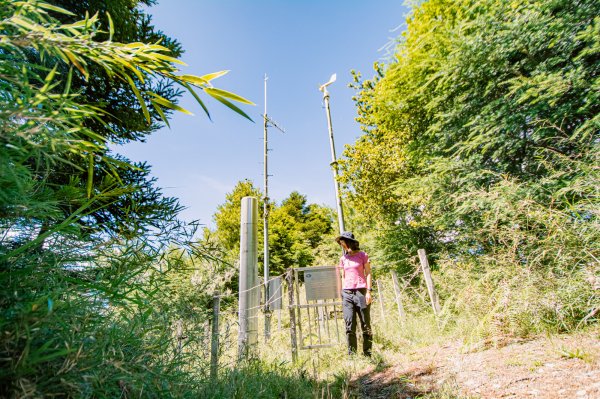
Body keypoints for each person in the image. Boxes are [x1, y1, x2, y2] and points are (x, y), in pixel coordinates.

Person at [336, 231, 373, 357]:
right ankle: (352, 355)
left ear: (349, 242)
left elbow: (368, 273)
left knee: (365, 323)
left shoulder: (363, 255)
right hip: (347, 293)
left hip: (361, 292)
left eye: (343, 242)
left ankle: (367, 353)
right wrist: (341, 293)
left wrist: (369, 291)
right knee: (349, 324)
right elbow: (342, 276)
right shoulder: (343, 259)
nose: (341, 244)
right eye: (340, 243)